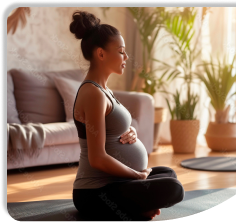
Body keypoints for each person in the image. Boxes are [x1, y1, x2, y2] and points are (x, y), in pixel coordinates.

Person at [70, 10, 185, 222]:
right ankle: (137, 208)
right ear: (101, 54)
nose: (126, 57)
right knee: (173, 188)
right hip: (96, 193)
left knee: (168, 173)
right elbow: (97, 158)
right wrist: (137, 175)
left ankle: (139, 207)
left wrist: (130, 132)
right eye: (121, 51)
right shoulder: (93, 93)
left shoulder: (105, 91)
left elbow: (112, 129)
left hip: (118, 183)